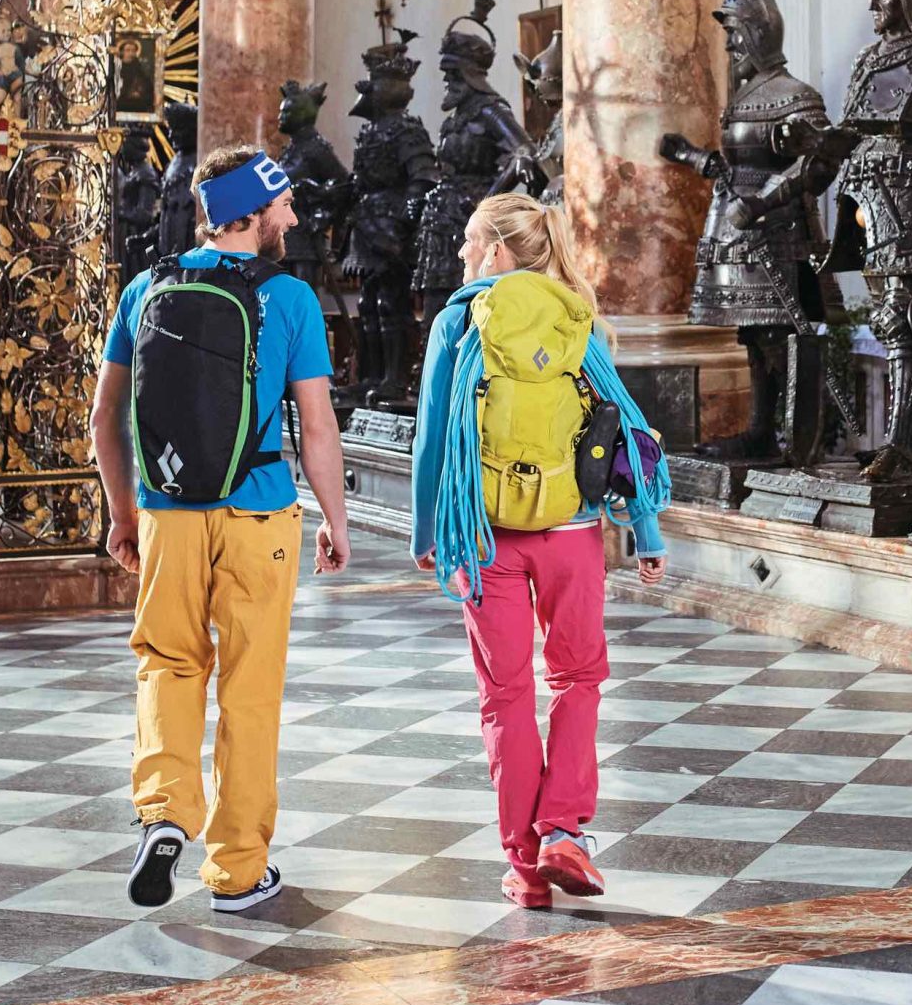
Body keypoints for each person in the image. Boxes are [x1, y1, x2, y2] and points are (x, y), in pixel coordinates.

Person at [89, 146, 352, 916]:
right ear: (256, 210)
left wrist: (123, 510)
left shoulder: (146, 288)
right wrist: (336, 521)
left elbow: (105, 416)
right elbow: (318, 428)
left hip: (170, 513)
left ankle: (167, 810)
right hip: (260, 512)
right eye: (285, 205)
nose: (295, 218)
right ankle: (238, 867)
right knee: (249, 686)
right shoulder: (292, 300)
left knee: (168, 661)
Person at [409, 193, 670, 909]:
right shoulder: (571, 313)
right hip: (573, 531)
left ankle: (526, 868)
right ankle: (565, 832)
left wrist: (429, 532)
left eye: (470, 241)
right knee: (578, 678)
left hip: (485, 533)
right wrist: (645, 530)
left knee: (505, 697)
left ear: (496, 250)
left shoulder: (458, 319)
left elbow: (432, 436)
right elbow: (627, 430)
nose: (462, 254)